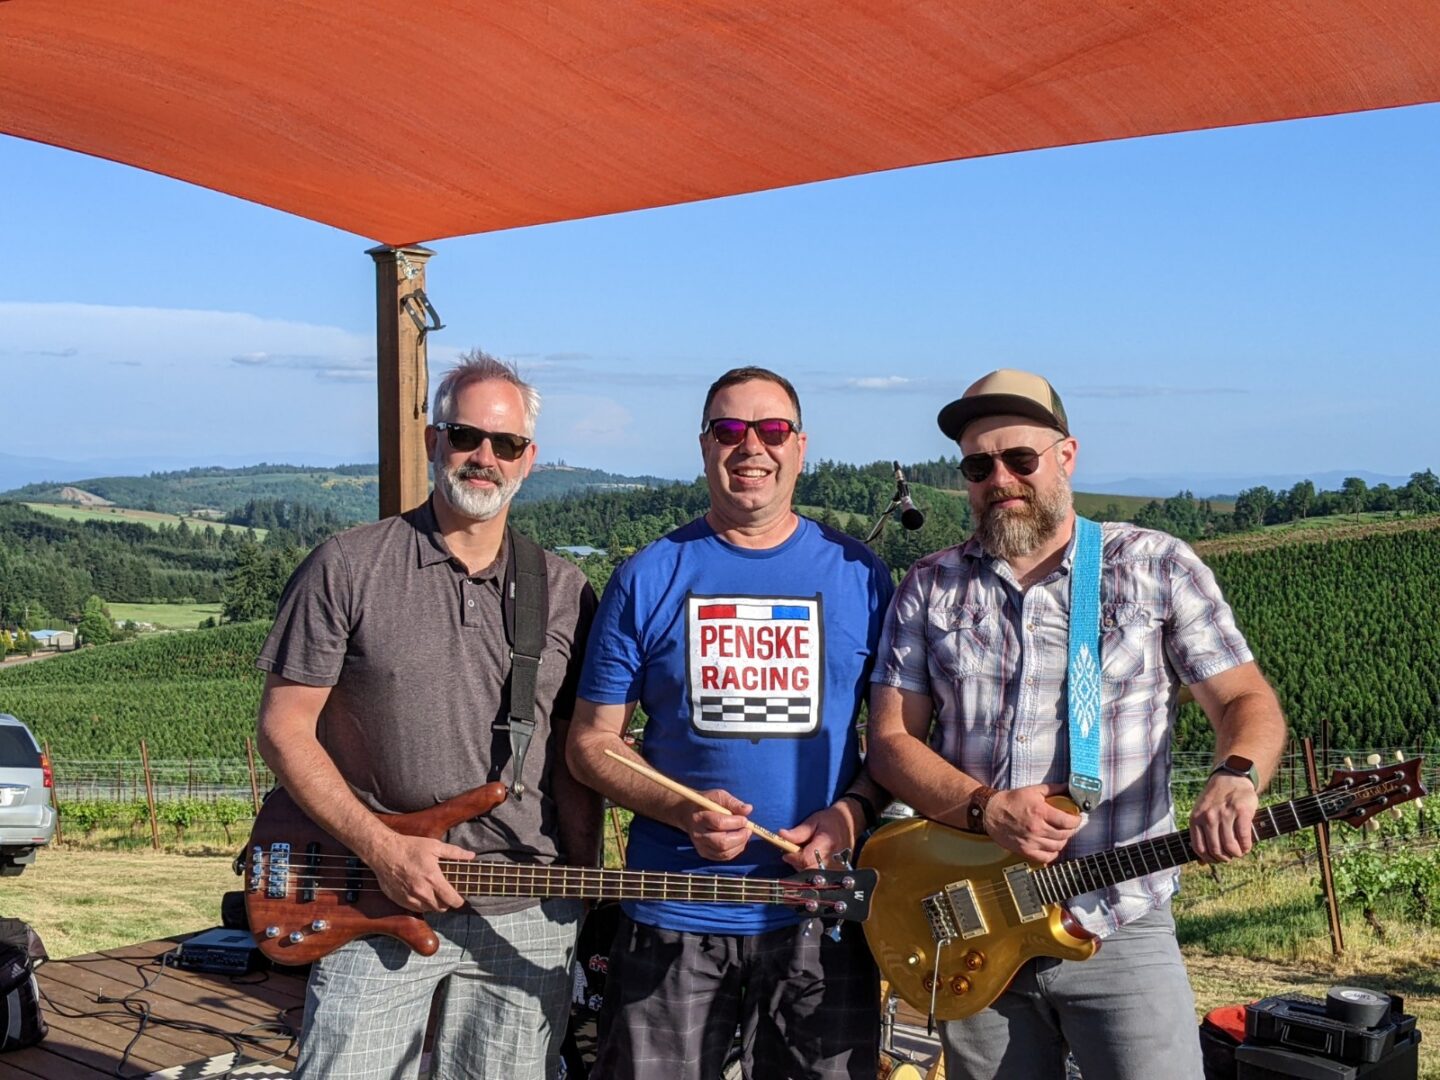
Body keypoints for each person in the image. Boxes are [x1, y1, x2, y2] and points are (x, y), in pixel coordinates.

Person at [866, 368, 1287, 1080]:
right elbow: (889, 741)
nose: (1000, 477)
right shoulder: (928, 586)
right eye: (979, 465)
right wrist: (987, 809)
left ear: (1066, 456)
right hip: (975, 921)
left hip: (1121, 919)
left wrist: (1237, 774)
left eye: (1020, 458)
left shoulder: (1153, 566)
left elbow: (1244, 700)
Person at [255, 350, 600, 1080]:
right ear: (432, 440)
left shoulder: (565, 590)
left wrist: (583, 893)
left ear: (529, 459)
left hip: (526, 913)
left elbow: (575, 757)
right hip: (370, 899)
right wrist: (384, 848)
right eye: (466, 436)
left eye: (504, 444)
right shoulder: (347, 566)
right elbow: (284, 729)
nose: (484, 458)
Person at [566, 366, 893, 1080]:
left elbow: (898, 741)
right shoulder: (649, 576)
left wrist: (849, 813)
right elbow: (591, 745)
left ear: (801, 448)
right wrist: (682, 810)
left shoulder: (861, 576)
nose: (753, 446)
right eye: (730, 429)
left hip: (820, 916)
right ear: (705, 445)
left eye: (772, 430)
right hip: (675, 912)